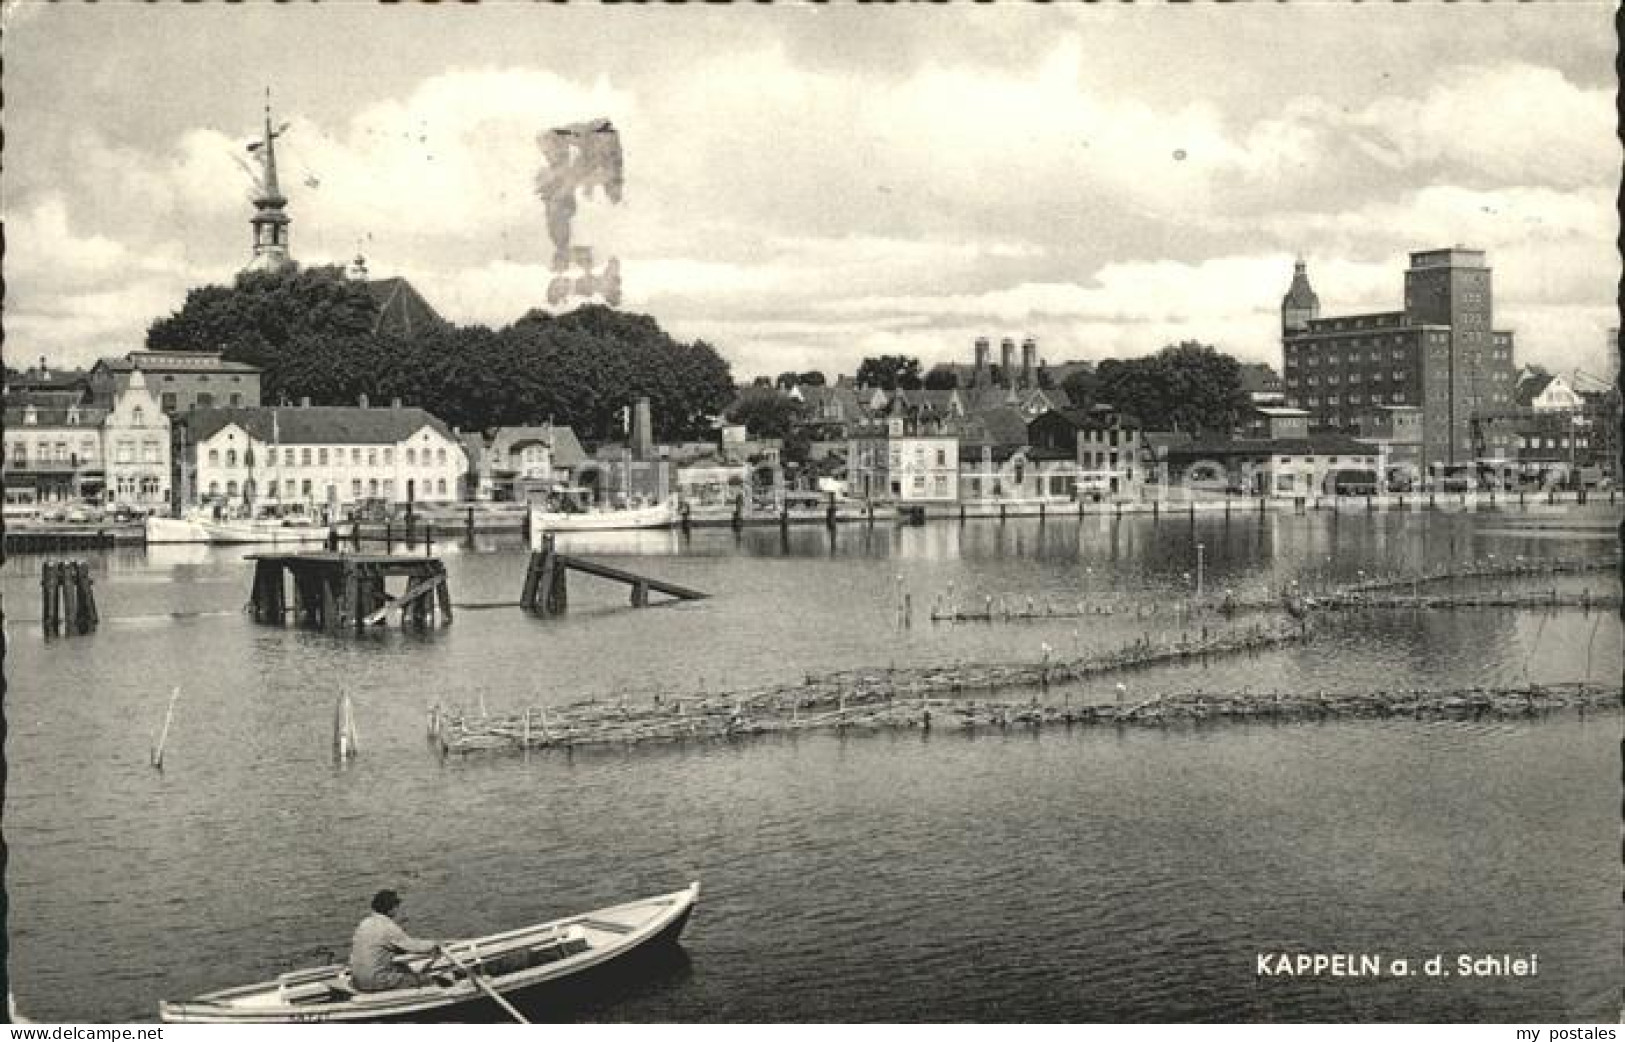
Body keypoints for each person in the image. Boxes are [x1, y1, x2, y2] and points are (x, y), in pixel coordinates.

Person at [349, 889, 441, 992]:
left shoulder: (364, 923)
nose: (398, 910)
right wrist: (434, 945)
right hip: (374, 980)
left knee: (401, 966)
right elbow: (412, 946)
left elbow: (388, 946)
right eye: (396, 906)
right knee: (426, 980)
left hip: (357, 980)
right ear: (390, 909)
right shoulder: (388, 926)